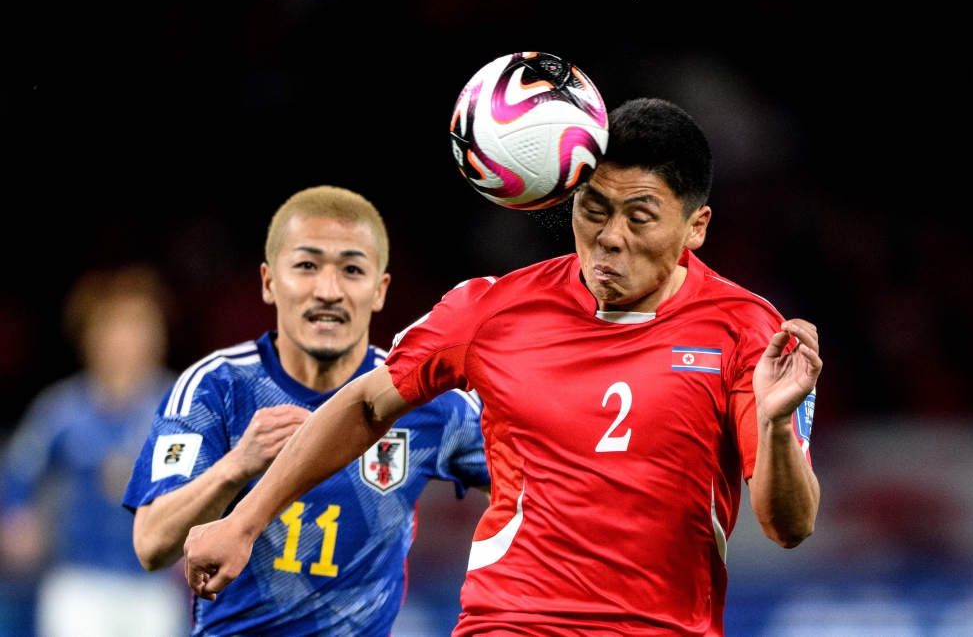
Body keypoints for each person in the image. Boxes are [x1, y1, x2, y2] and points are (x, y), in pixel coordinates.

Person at [183, 101, 822, 636]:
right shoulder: (493, 309)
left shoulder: (747, 330)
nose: (610, 236)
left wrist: (774, 426)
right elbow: (364, 404)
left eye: (640, 216)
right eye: (593, 209)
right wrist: (245, 521)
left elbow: (788, 526)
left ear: (696, 226)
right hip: (511, 620)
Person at [124, 186, 489, 636]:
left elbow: (533, 488)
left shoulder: (423, 399)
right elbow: (150, 546)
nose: (329, 290)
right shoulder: (216, 387)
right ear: (269, 282)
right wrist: (236, 466)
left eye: (352, 270)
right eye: (307, 266)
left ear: (380, 290)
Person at [0, 267, 187, 637]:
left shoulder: (179, 412)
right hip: (78, 583)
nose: (125, 341)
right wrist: (17, 518)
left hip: (153, 587)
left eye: (138, 327)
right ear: (88, 336)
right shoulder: (62, 410)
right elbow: (18, 472)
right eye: (113, 327)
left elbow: (209, 483)